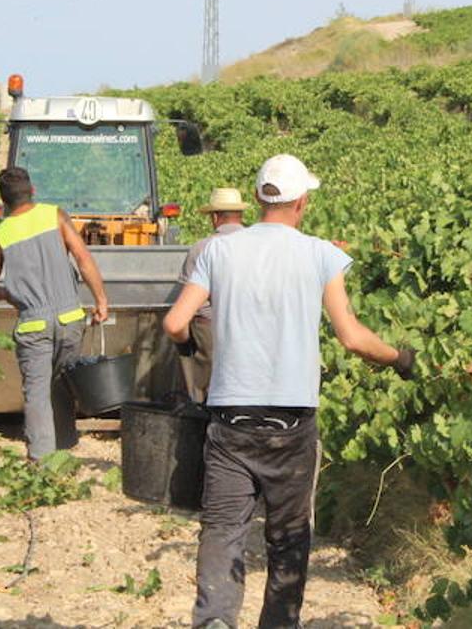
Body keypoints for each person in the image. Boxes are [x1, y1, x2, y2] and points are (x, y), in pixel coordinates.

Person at [163, 154, 415, 629]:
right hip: (292, 425)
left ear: (258, 199)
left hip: (230, 420)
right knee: (289, 537)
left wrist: (186, 355)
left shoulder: (219, 251)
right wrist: (399, 359)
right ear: (302, 202)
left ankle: (215, 619)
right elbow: (352, 337)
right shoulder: (320, 253)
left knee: (222, 530)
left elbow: (176, 322)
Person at [0, 167, 109, 460]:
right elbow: (83, 257)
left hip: (33, 324)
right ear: (32, 190)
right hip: (69, 318)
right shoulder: (55, 215)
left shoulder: (0, 235)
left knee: (37, 394)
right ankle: (63, 450)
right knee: (63, 383)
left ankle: (43, 463)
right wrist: (101, 299)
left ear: (3, 199)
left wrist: (12, 297)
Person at [174, 187, 250, 402]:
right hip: (252, 324)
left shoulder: (202, 248)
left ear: (215, 217)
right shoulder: (260, 246)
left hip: (209, 325)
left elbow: (190, 302)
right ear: (240, 215)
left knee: (205, 383)